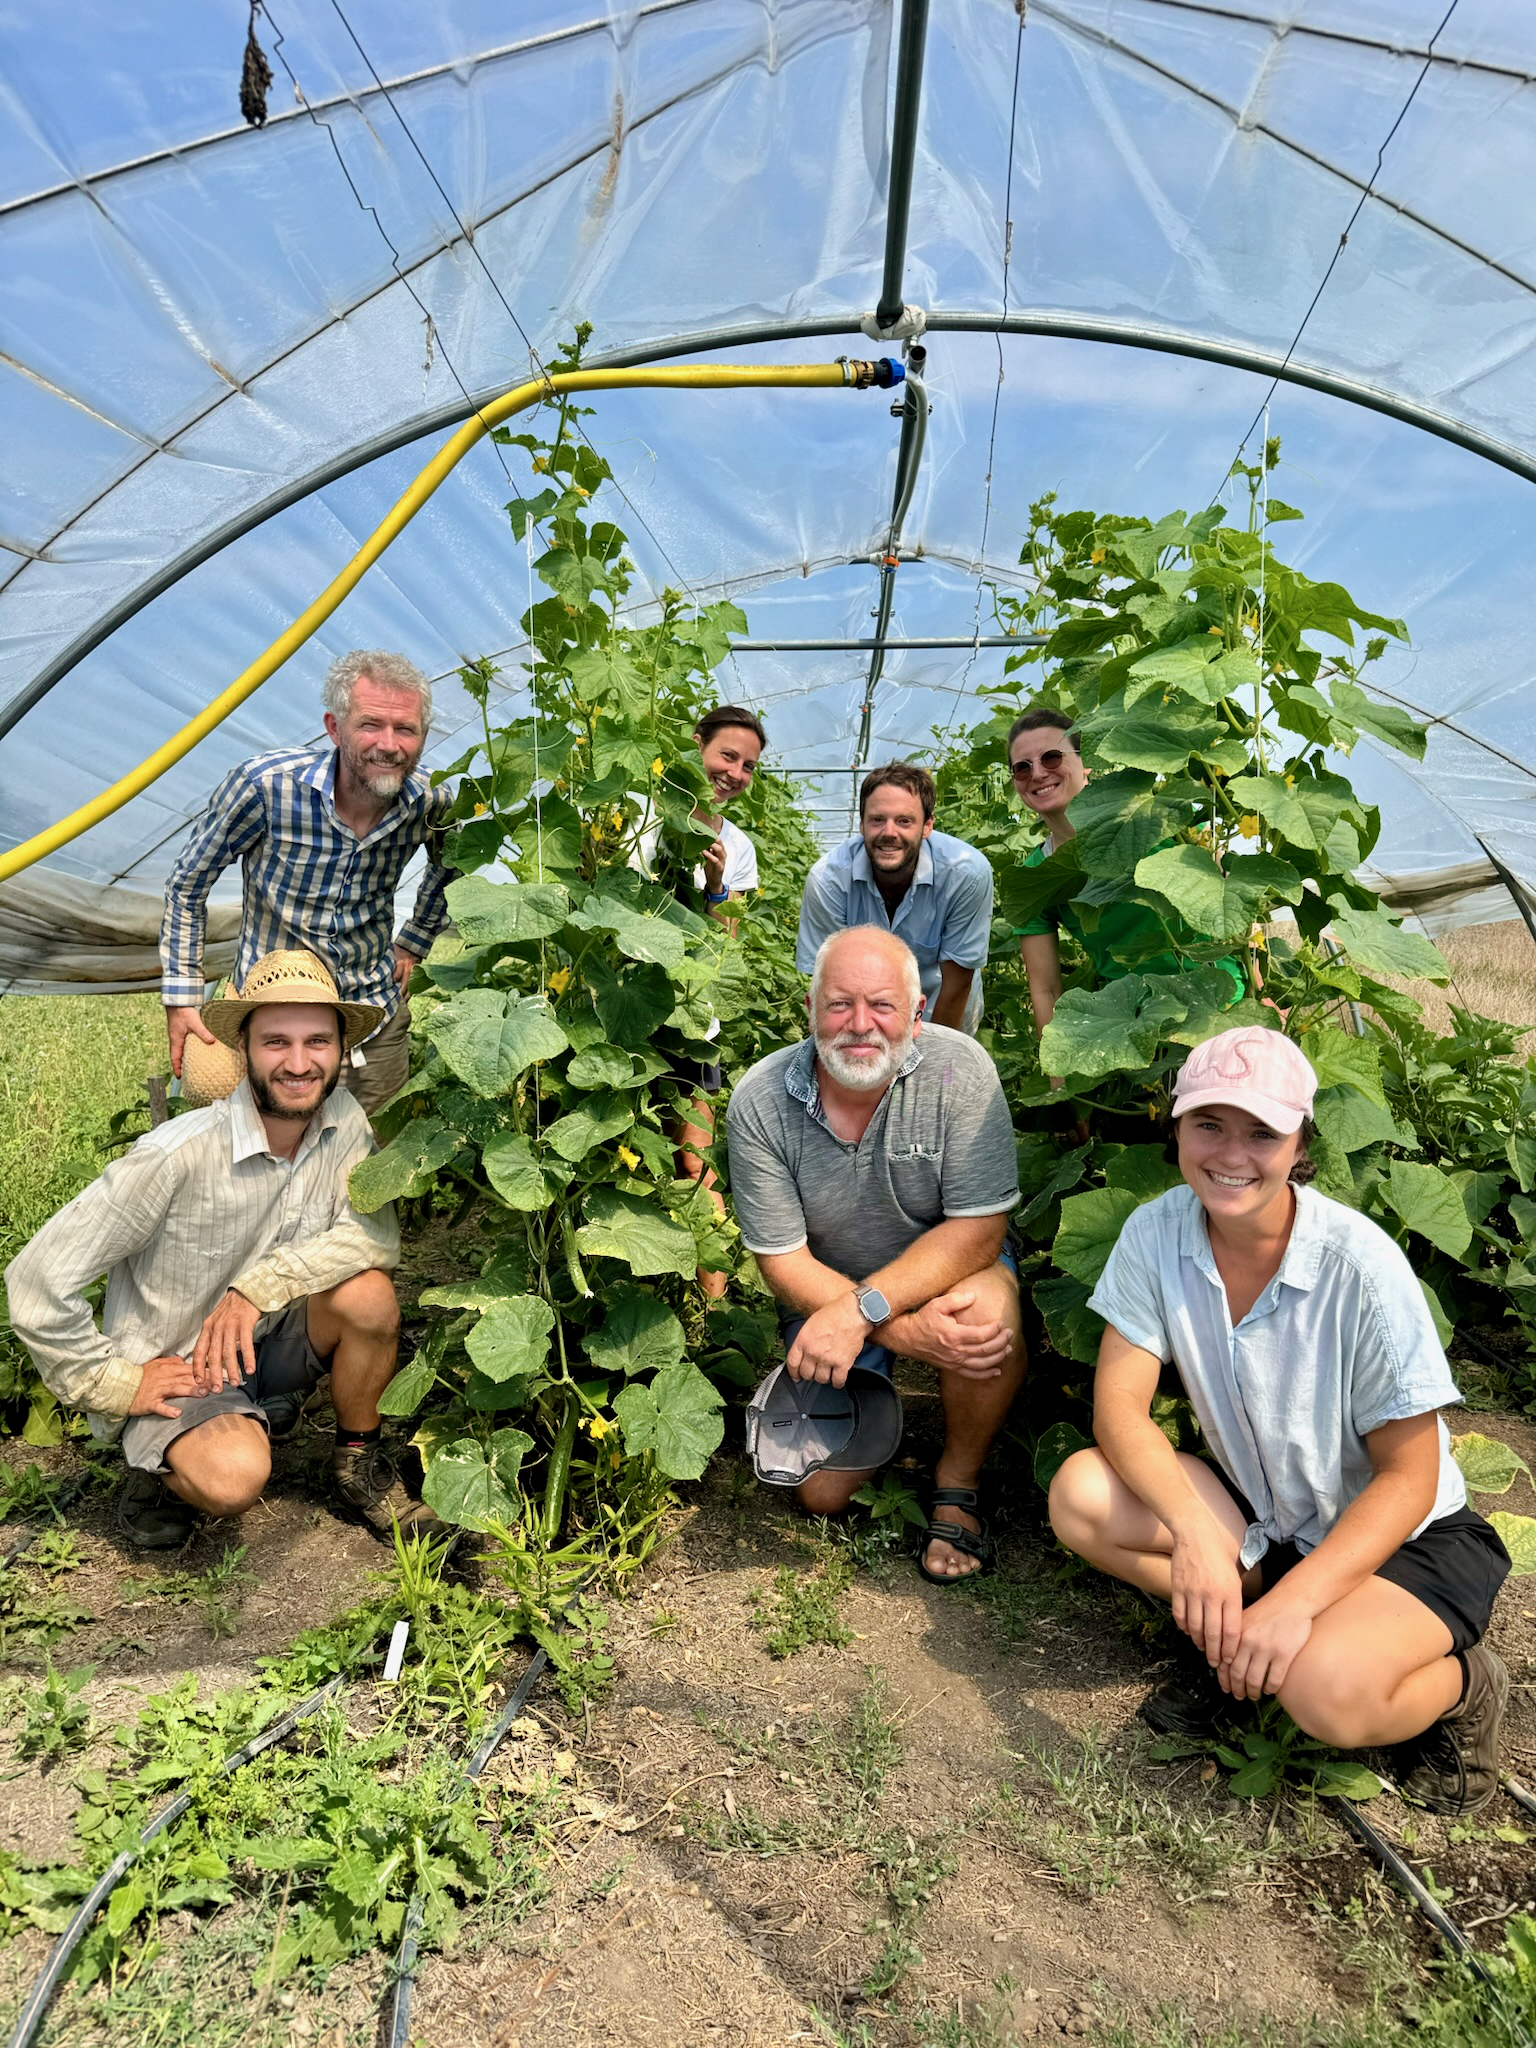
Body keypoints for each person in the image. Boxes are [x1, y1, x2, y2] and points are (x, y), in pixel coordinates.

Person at [1048, 1025, 1511, 1815]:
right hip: (1275, 1518)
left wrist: (1293, 1607)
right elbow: (1120, 1409)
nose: (1232, 1153)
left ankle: (1468, 1686)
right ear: (1177, 1126)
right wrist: (1198, 1539)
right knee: (1081, 1495)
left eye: (1262, 1132)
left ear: (1300, 1144)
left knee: (1324, 1693)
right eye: (1209, 1123)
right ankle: (1241, 1637)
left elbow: (1410, 1478)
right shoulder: (1156, 1233)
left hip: (1405, 1537)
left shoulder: (1359, 1269)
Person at [5, 951, 440, 1549]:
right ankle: (160, 1469)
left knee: (371, 1297)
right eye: (276, 1042)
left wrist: (257, 1288)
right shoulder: (175, 1156)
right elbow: (35, 1280)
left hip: (269, 1338)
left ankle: (357, 1463)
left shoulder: (343, 1119)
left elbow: (374, 1236)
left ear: (341, 1049)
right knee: (235, 1478)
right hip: (185, 1369)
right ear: (243, 1048)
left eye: (317, 1041)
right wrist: (115, 1383)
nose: (298, 1063)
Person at [726, 926, 1026, 1580]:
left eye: (882, 1005)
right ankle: (881, 1404)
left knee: (984, 1318)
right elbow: (782, 1260)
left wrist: (863, 1312)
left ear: (916, 1016)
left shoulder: (961, 1071)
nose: (860, 1024)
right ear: (810, 1011)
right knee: (822, 1494)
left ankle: (957, 1482)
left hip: (944, 1275)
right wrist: (897, 1329)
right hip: (828, 1287)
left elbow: (980, 1230)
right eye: (839, 1004)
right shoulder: (760, 1100)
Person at [160, 649, 452, 1119]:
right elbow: (187, 884)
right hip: (272, 1015)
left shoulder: (430, 802)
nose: (389, 744)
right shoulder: (266, 787)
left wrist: (414, 941)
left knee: (372, 1150)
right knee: (266, 1152)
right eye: (371, 725)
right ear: (335, 728)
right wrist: (181, 997)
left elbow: (451, 865)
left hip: (371, 1014)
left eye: (406, 729)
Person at [1008, 707, 1245, 1044]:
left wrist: (1259, 994)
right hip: (1132, 1025)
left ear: (1086, 762)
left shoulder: (1159, 817)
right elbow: (1045, 989)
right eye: (1022, 767)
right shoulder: (1034, 875)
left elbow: (1235, 914)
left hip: (1218, 1008)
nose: (1037, 773)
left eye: (1051, 757)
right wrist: (1056, 1066)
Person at [657, 707, 766, 1299]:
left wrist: (718, 886)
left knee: (693, 1163)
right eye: (727, 755)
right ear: (696, 745)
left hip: (692, 1022)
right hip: (625, 1020)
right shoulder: (645, 816)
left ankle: (711, 1306)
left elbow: (724, 946)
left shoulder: (738, 845)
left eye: (748, 766)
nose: (735, 773)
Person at [797, 764, 993, 1036]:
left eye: (904, 821)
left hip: (942, 1009)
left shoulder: (966, 875)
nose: (889, 832)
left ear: (927, 826)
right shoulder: (828, 880)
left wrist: (935, 1053)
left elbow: (957, 983)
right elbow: (828, 981)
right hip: (862, 1017)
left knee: (942, 1062)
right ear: (861, 824)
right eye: (877, 820)